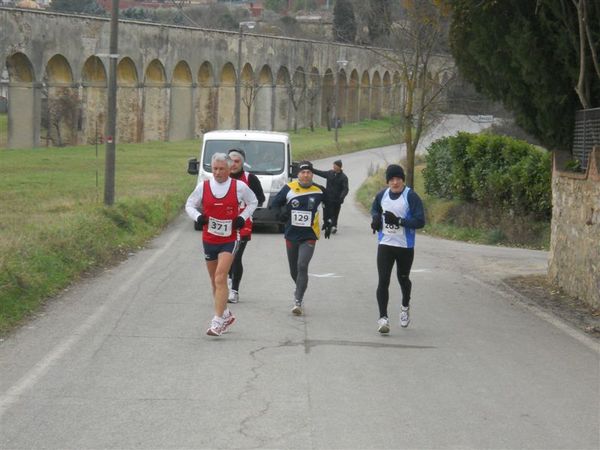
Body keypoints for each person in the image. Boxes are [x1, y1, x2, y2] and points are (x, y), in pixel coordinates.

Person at [185, 153, 258, 336]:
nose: (217, 172)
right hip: (209, 238)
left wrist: (242, 217)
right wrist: (198, 217)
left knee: (220, 277)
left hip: (230, 238)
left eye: (221, 169)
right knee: (214, 281)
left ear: (229, 169)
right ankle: (225, 314)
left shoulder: (239, 186)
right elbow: (189, 205)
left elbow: (254, 201)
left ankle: (217, 322)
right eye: (215, 169)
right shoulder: (204, 186)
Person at [370, 164, 425, 334]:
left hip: (404, 246)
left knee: (403, 279)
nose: (395, 183)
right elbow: (375, 209)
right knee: (383, 280)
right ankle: (383, 318)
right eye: (392, 179)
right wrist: (376, 219)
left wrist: (399, 221)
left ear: (403, 180)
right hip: (386, 244)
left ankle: (404, 307)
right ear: (388, 181)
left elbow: (420, 221)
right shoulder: (382, 195)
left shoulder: (411, 197)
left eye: (398, 179)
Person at [271, 160, 331, 315]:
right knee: (294, 270)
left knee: (302, 265)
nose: (306, 175)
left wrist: (329, 221)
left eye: (309, 172)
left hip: (309, 235)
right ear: (298, 174)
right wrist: (281, 213)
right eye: (303, 172)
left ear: (312, 174)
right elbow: (275, 204)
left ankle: (298, 299)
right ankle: (299, 288)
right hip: (291, 235)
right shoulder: (289, 189)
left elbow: (329, 205)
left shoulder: (319, 190)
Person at [226, 148, 265, 304]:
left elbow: (260, 199)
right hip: (224, 225)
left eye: (237, 161)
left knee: (236, 257)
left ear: (242, 163)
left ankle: (234, 290)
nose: (234, 164)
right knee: (225, 257)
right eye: (231, 161)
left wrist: (245, 206)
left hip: (243, 224)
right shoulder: (221, 176)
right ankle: (229, 279)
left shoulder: (250, 178)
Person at [312, 159, 349, 234]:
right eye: (333, 165)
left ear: (339, 167)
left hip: (337, 199)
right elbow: (320, 173)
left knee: (335, 213)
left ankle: (334, 226)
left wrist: (341, 197)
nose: (334, 167)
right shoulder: (330, 173)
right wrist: (311, 169)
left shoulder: (343, 177)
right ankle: (327, 223)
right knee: (326, 213)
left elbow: (345, 189)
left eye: (335, 166)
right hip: (327, 197)